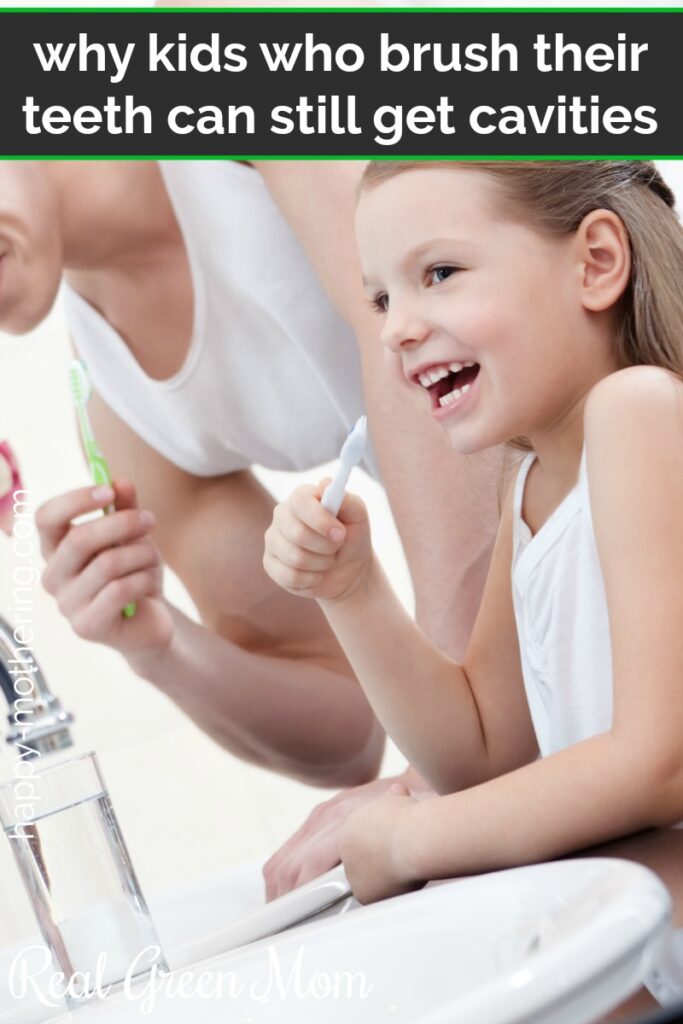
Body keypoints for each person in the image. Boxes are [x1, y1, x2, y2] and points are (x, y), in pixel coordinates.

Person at [0, 162, 498, 828]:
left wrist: (448, 760)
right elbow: (347, 733)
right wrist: (163, 648)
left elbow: (448, 329)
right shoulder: (117, 399)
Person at [264, 160, 683, 924]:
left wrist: (409, 840)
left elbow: (658, 763)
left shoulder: (642, 411)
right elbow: (482, 756)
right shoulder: (528, 479)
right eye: (382, 298)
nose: (396, 328)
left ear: (595, 263)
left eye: (441, 272)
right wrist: (352, 591)